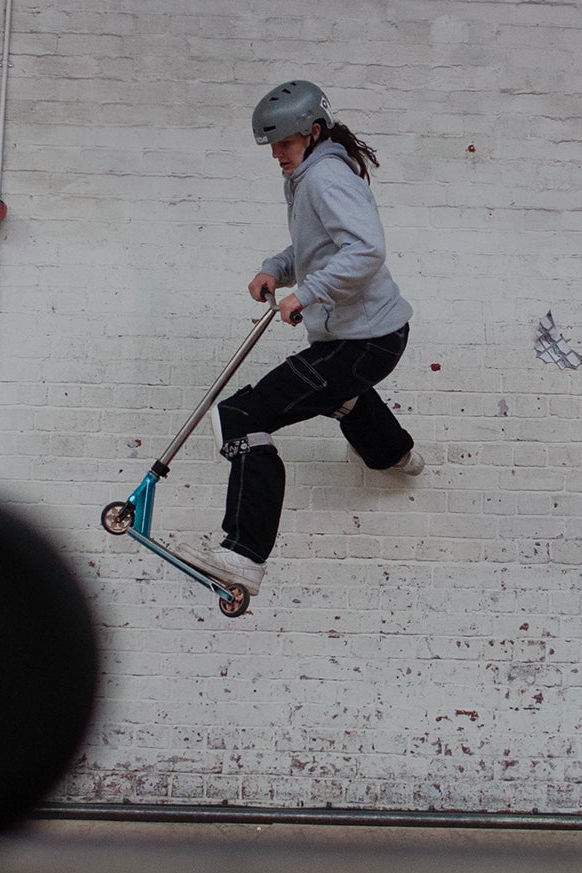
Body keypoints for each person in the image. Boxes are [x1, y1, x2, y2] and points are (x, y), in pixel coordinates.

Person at [175, 80, 423, 595]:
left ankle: (243, 555)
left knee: (242, 415)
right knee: (337, 392)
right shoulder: (311, 175)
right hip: (367, 340)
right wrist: (277, 270)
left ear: (312, 133)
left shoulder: (324, 177)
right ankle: (394, 454)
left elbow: (365, 250)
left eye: (285, 145)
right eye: (272, 147)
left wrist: (306, 294)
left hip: (362, 343)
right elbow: (318, 246)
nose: (277, 156)